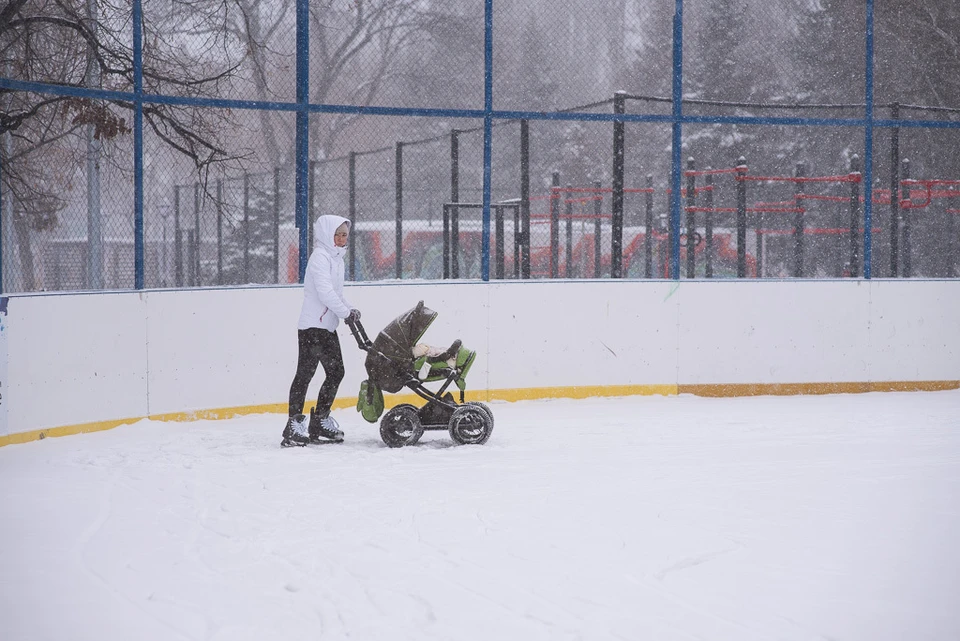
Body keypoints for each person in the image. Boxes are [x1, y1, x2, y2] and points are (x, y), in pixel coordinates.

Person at [282, 215, 361, 447]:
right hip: (312, 328)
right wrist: (345, 314)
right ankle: (293, 425)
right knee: (305, 375)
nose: (341, 238)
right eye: (337, 234)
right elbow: (325, 293)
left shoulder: (337, 259)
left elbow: (336, 293)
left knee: (336, 372)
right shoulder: (320, 257)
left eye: (344, 234)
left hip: (327, 327)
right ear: (327, 235)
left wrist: (350, 308)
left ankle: (319, 421)